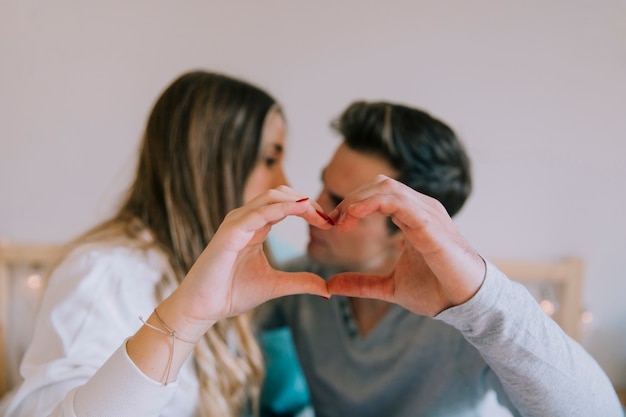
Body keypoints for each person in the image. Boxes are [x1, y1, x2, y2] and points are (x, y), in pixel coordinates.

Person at [0, 70, 332, 417]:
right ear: (210, 164)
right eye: (269, 160)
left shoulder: (220, 266)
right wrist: (184, 318)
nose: (284, 182)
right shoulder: (102, 272)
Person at [257, 101, 623, 416]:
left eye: (343, 201)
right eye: (323, 185)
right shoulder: (301, 282)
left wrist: (482, 304)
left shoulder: (466, 319)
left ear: (404, 226)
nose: (313, 208)